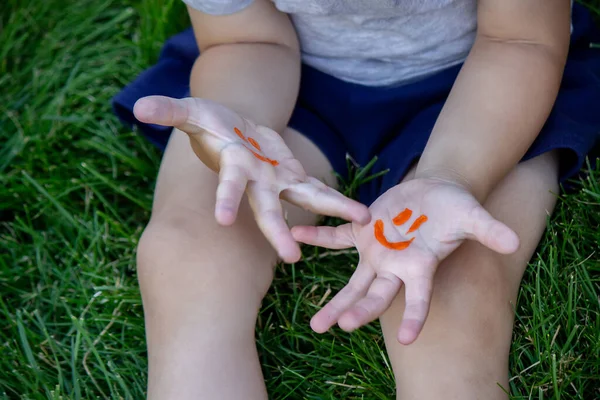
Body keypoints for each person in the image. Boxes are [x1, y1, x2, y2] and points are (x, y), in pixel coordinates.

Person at [112, 0, 600, 398]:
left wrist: (452, 176)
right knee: (190, 250)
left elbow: (521, 38)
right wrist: (245, 129)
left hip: (486, 89)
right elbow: (244, 39)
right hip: (283, 78)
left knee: (451, 289)